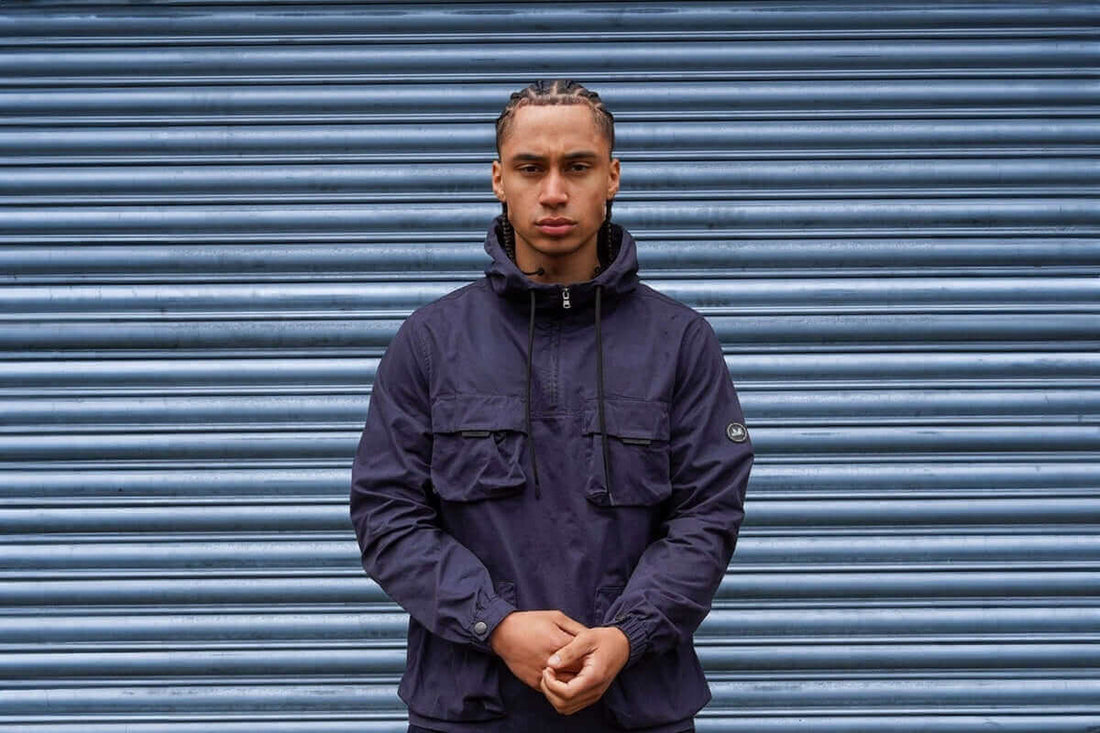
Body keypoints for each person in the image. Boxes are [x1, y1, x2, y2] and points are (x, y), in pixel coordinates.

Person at [349, 79, 754, 733]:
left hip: (637, 705)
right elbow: (387, 515)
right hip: (470, 709)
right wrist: (496, 623)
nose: (555, 191)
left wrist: (625, 634)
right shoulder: (430, 342)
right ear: (498, 179)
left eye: (578, 165)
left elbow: (707, 517)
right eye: (531, 168)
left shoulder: (680, 342)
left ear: (613, 177)